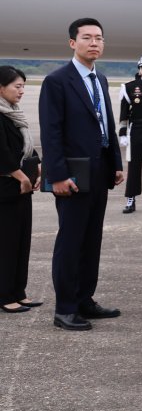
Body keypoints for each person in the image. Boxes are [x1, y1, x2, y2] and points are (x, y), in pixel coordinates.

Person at [39, 17, 125, 331]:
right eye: (87, 37)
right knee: (71, 241)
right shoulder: (57, 81)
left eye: (99, 38)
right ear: (72, 43)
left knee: (92, 240)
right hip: (71, 174)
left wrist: (115, 162)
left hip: (99, 169)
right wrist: (57, 175)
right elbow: (51, 132)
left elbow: (106, 126)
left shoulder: (99, 79)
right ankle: (64, 308)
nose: (94, 43)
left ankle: (84, 299)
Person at [0, 66, 42, 314]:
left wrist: (37, 170)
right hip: (6, 190)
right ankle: (5, 295)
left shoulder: (14, 114)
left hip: (22, 188)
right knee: (6, 243)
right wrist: (19, 176)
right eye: (17, 86)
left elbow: (27, 148)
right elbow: (2, 153)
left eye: (23, 86)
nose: (22, 91)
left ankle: (19, 291)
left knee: (21, 241)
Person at [119, 54, 142, 214]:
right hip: (137, 130)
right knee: (133, 167)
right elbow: (124, 114)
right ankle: (130, 199)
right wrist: (122, 133)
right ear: (139, 69)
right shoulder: (128, 87)